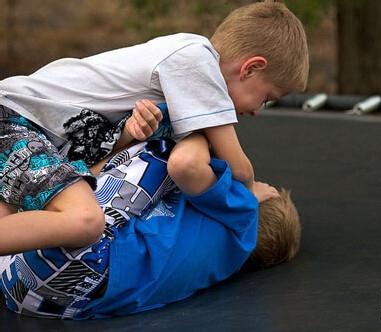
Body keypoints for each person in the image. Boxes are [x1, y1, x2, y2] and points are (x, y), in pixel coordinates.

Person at [0, 1, 309, 255]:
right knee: (84, 220)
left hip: (35, 135)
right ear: (252, 68)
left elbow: (95, 159)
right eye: (266, 98)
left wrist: (129, 135)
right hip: (15, 117)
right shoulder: (195, 58)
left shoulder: (177, 101)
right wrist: (249, 193)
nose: (257, 111)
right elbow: (237, 166)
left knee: (15, 227)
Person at [0, 135, 301, 319]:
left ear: (265, 199)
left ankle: (53, 185)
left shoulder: (244, 216)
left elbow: (185, 164)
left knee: (163, 149)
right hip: (35, 296)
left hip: (90, 258)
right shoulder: (224, 259)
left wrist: (197, 125)